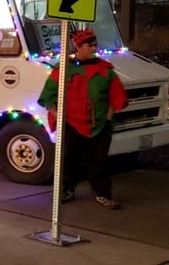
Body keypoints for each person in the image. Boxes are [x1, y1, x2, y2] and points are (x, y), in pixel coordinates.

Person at [37, 28, 128, 209]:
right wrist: (59, 116)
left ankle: (102, 193)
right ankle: (67, 190)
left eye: (95, 45)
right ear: (78, 47)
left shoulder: (105, 69)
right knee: (69, 160)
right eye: (89, 45)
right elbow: (49, 95)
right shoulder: (63, 69)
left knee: (99, 162)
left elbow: (115, 94)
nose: (94, 48)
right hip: (71, 123)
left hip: (100, 123)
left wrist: (109, 117)